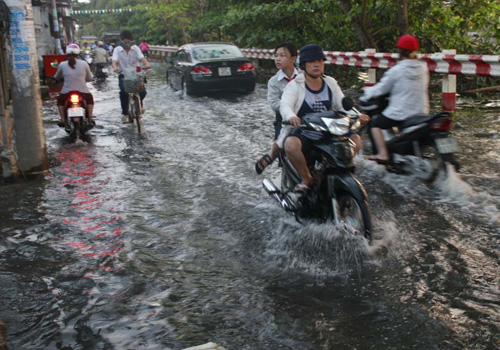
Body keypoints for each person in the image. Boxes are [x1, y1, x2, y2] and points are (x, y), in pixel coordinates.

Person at [279, 44, 369, 193]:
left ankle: (338, 168)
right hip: (306, 131)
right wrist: (292, 116)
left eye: (320, 61)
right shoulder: (295, 85)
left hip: (329, 130)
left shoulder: (330, 83)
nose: (317, 64)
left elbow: (342, 104)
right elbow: (285, 105)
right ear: (303, 65)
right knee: (290, 144)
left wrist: (359, 115)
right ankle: (306, 177)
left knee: (356, 139)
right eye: (312, 61)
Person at [361, 34, 429, 163]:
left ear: (400, 51)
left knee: (376, 124)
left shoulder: (397, 70)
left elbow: (381, 88)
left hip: (400, 112)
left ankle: (382, 154)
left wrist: (367, 92)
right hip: (421, 112)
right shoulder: (423, 68)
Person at [255, 42, 298, 175]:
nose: (277, 59)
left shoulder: (303, 77)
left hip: (306, 117)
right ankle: (273, 157)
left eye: (282, 55)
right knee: (283, 142)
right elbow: (274, 104)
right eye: (276, 56)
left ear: (293, 58)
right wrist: (290, 110)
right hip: (284, 119)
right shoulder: (274, 82)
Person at [112, 30, 151, 123]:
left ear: (131, 41)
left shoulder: (136, 49)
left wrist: (147, 64)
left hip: (136, 75)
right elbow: (114, 60)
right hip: (123, 75)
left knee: (142, 92)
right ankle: (125, 114)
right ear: (121, 41)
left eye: (129, 42)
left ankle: (139, 104)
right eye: (125, 42)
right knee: (123, 93)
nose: (127, 44)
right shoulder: (117, 50)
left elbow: (142, 58)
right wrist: (115, 67)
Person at [54, 44, 95, 127]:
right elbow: (89, 78)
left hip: (66, 91)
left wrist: (56, 79)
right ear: (78, 53)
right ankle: (90, 118)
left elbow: (57, 77)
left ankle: (62, 119)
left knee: (60, 102)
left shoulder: (62, 64)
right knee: (90, 100)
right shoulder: (84, 64)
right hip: (83, 91)